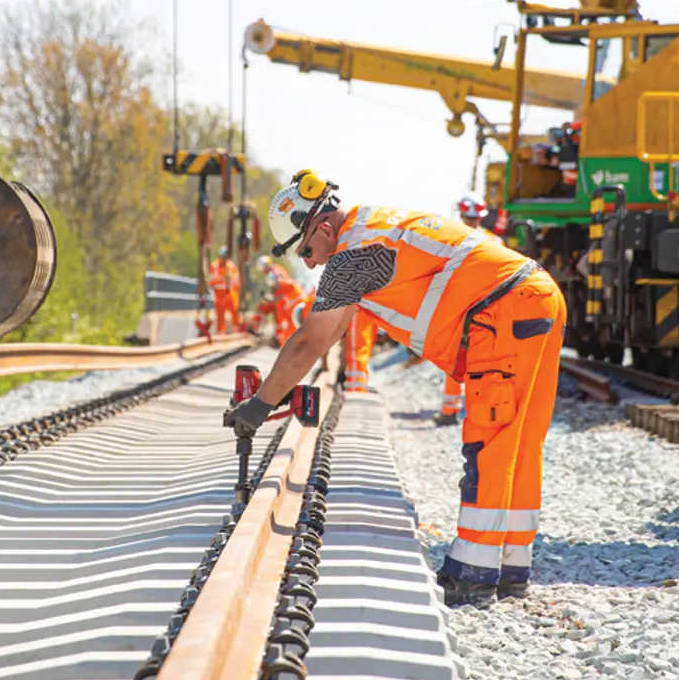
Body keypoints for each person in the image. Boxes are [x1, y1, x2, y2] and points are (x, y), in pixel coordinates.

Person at [229, 169, 565, 607]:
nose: (310, 263)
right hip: (538, 298)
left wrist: (259, 405)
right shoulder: (376, 228)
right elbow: (328, 333)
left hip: (504, 310)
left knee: (492, 439)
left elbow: (310, 341)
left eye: (306, 250)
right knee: (521, 438)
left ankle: (475, 571)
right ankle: (514, 563)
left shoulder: (351, 257)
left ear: (324, 227)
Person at [437, 195, 497, 425]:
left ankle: (450, 410)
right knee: (486, 360)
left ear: (461, 215)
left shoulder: (453, 239)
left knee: (457, 359)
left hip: (462, 309)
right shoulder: (494, 241)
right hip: (490, 307)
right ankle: (481, 411)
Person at [206, 246, 242, 333]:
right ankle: (220, 332)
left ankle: (237, 330)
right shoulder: (214, 266)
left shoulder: (231, 266)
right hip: (219, 293)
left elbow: (236, 280)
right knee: (220, 315)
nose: (224, 259)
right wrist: (221, 279)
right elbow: (210, 281)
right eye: (222, 257)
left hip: (230, 292)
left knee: (235, 312)